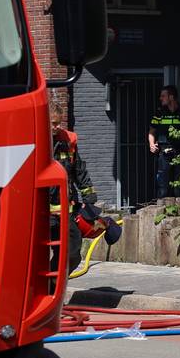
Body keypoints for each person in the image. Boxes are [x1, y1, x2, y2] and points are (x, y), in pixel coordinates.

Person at [48, 102, 120, 274]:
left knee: (72, 254)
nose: (56, 127)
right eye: (52, 123)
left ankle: (51, 284)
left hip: (66, 211)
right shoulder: (35, 141)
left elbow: (79, 170)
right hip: (41, 215)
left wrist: (89, 199)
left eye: (58, 123)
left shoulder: (68, 142)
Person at [148, 85, 180, 200]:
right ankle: (161, 211)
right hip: (164, 151)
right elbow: (151, 131)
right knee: (163, 184)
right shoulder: (159, 113)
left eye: (163, 96)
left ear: (171, 97)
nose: (160, 98)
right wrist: (151, 144)